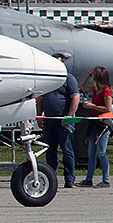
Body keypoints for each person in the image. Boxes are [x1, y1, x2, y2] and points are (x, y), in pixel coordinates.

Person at [36, 52, 80, 188]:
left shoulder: (69, 78)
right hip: (49, 121)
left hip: (64, 121)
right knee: (50, 151)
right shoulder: (47, 79)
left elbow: (75, 98)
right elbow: (41, 99)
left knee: (67, 150)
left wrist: (68, 116)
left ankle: (69, 179)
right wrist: (39, 116)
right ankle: (51, 177)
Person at [79, 66, 113, 188]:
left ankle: (106, 179)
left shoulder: (106, 91)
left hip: (103, 123)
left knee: (101, 152)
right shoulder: (95, 90)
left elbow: (108, 108)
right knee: (91, 152)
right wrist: (88, 74)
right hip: (94, 122)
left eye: (94, 78)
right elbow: (81, 86)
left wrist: (92, 106)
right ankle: (89, 179)